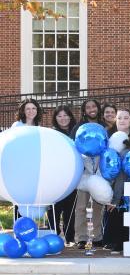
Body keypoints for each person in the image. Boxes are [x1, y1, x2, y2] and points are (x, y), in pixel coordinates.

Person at [50, 105, 78, 244]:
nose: (63, 118)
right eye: (59, 116)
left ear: (70, 116)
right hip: (55, 177)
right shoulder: (52, 134)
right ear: (55, 118)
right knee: (54, 208)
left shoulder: (76, 132)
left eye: (65, 115)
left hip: (72, 176)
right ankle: (53, 235)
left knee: (70, 209)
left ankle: (69, 237)